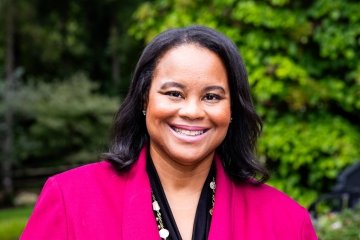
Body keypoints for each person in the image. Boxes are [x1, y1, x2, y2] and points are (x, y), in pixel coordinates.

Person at [21, 25, 317, 240]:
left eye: (212, 97)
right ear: (143, 100)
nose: (192, 111)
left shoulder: (287, 222)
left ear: (233, 111)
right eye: (174, 93)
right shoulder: (71, 200)